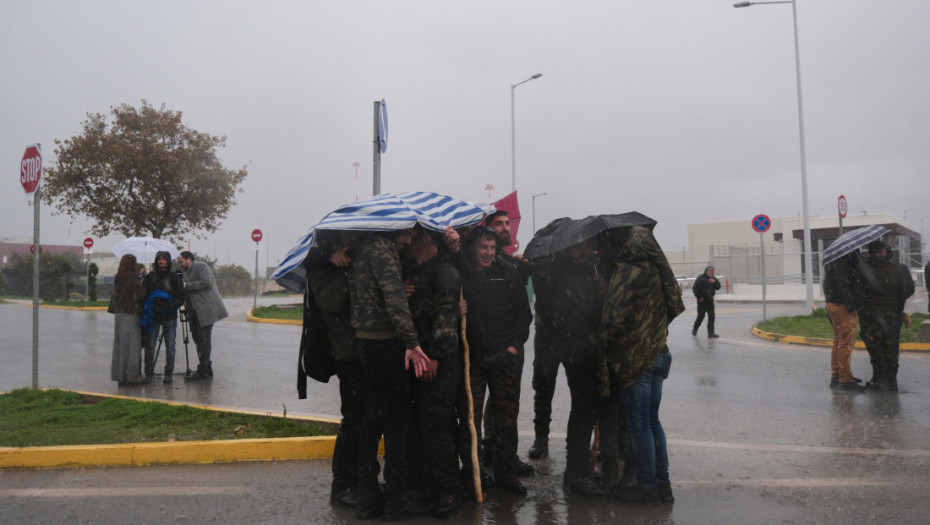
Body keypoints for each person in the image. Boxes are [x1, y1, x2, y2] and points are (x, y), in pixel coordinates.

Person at [598, 226, 685, 505]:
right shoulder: (661, 271)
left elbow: (614, 319)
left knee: (639, 425)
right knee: (653, 421)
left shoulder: (628, 271)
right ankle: (663, 485)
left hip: (637, 361)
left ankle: (646, 486)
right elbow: (673, 306)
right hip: (660, 354)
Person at [348, 230, 430, 521]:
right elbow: (395, 301)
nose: (408, 241)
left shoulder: (362, 248)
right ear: (393, 228)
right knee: (397, 421)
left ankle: (367, 500)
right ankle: (395, 503)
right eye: (406, 234)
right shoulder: (383, 250)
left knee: (371, 420)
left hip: (364, 341)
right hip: (385, 342)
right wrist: (412, 342)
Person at [531, 237, 610, 495]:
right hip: (569, 345)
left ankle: (576, 467)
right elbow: (584, 310)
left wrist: (601, 289)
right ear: (569, 247)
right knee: (566, 400)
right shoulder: (558, 272)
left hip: (577, 345)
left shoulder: (588, 269)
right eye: (582, 246)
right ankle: (575, 472)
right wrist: (598, 297)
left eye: (588, 246)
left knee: (583, 408)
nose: (587, 250)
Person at [458, 226, 533, 496]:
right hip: (473, 360)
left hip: (504, 358)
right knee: (470, 421)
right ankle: (472, 473)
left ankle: (506, 474)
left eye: (492, 248)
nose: (488, 253)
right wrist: (457, 311)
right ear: (473, 249)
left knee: (506, 418)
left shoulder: (508, 273)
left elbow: (523, 315)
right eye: (483, 248)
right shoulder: (463, 275)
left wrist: (514, 347)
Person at [298, 232, 367, 509]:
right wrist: (343, 271)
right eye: (345, 243)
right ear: (333, 245)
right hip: (345, 355)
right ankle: (341, 486)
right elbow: (330, 301)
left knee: (366, 422)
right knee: (353, 422)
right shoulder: (321, 270)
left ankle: (363, 480)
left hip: (362, 353)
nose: (350, 247)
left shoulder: (346, 265)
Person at [402, 227, 464, 517]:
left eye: (414, 239)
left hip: (438, 360)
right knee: (423, 425)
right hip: (421, 356)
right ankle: (426, 488)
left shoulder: (444, 272)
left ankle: (449, 490)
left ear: (426, 241)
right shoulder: (420, 269)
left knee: (436, 426)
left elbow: (444, 317)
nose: (409, 244)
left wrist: (436, 357)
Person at [858, 241, 914, 391]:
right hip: (892, 314)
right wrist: (897, 302)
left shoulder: (864, 269)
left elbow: (859, 292)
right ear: (883, 252)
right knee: (891, 346)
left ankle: (879, 377)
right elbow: (909, 289)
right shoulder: (899, 268)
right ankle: (890, 379)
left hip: (871, 315)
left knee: (875, 346)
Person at [176, 251, 228, 381]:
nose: (180, 264)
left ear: (189, 260)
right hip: (194, 311)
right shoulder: (185, 272)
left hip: (205, 310)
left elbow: (206, 282)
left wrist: (187, 285)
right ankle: (205, 368)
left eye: (181, 261)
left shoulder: (201, 267)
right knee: (198, 338)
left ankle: (204, 369)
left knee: (203, 339)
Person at [823, 251, 865, 392]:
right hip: (842, 306)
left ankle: (837, 375)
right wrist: (851, 305)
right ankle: (845, 379)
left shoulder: (833, 263)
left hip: (833, 304)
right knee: (846, 342)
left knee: (839, 341)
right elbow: (843, 286)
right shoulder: (840, 265)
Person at [141, 251, 185, 382]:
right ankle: (148, 372)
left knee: (170, 346)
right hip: (153, 316)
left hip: (170, 316)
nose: (161, 261)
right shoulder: (149, 277)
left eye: (163, 259)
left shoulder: (174, 277)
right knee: (150, 346)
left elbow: (181, 296)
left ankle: (168, 373)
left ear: (168, 261)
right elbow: (144, 295)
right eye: (159, 259)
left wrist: (171, 305)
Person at [111, 254, 146, 385]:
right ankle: (131, 377)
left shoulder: (118, 276)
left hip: (119, 313)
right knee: (132, 346)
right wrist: (141, 282)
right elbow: (140, 294)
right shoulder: (132, 277)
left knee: (120, 346)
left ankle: (120, 375)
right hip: (130, 314)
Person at [692, 265, 721, 338]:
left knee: (712, 317)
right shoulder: (700, 278)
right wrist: (699, 297)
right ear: (707, 271)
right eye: (711, 272)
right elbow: (695, 288)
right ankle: (695, 329)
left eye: (713, 272)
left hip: (710, 301)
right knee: (700, 317)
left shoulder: (713, 278)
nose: (712, 274)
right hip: (702, 301)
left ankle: (711, 333)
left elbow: (718, 287)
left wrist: (714, 282)